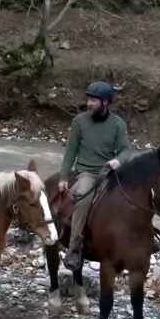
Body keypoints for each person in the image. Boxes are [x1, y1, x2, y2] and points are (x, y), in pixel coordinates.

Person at [58, 81, 134, 271]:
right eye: (89, 99)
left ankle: (146, 236)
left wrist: (119, 160)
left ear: (105, 102)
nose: (89, 103)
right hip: (87, 173)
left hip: (110, 172)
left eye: (93, 100)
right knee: (83, 197)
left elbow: (126, 150)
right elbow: (70, 151)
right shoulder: (79, 122)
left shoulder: (118, 124)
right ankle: (74, 247)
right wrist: (63, 177)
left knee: (135, 194)